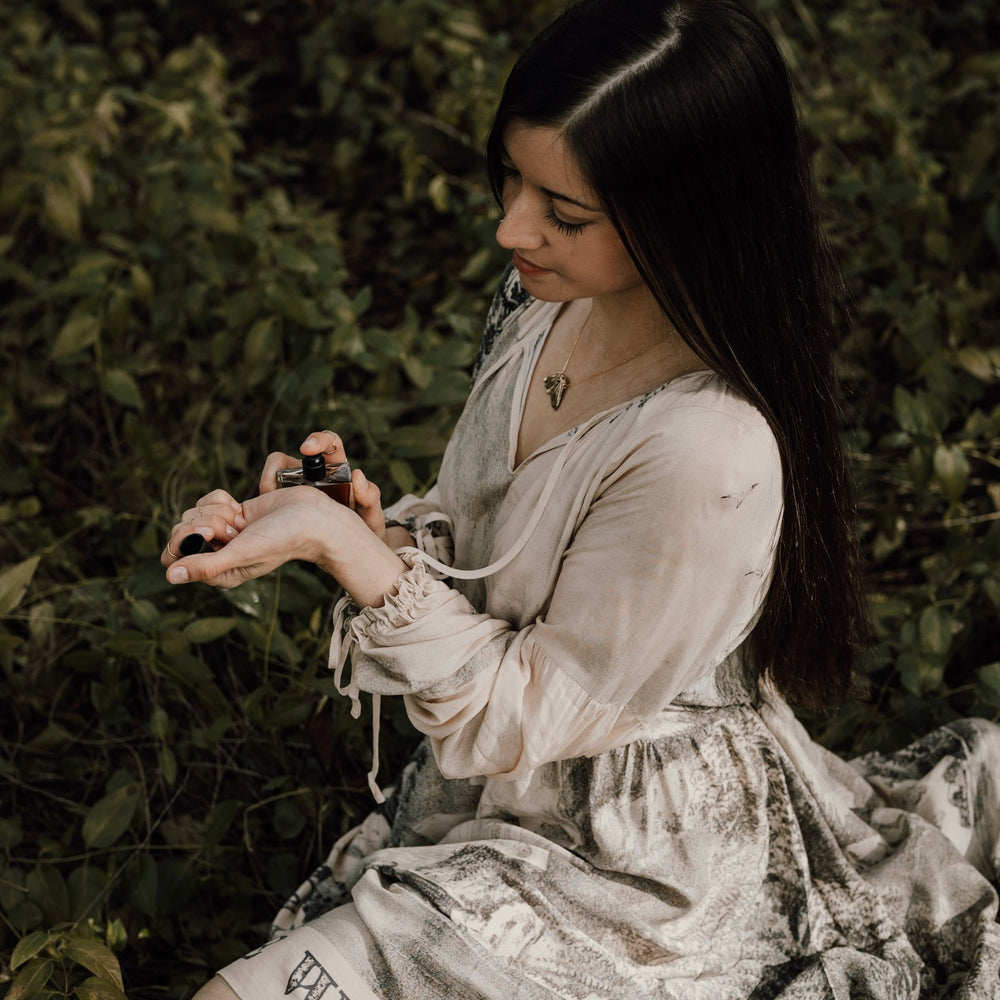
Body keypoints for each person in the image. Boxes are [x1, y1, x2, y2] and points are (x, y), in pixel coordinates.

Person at [163, 0, 1000, 996]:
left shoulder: (709, 448)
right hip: (493, 787)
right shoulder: (540, 298)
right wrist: (362, 524)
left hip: (634, 858)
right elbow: (502, 547)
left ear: (691, 214)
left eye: (563, 211)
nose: (511, 225)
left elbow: (521, 718)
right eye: (510, 177)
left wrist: (359, 565)